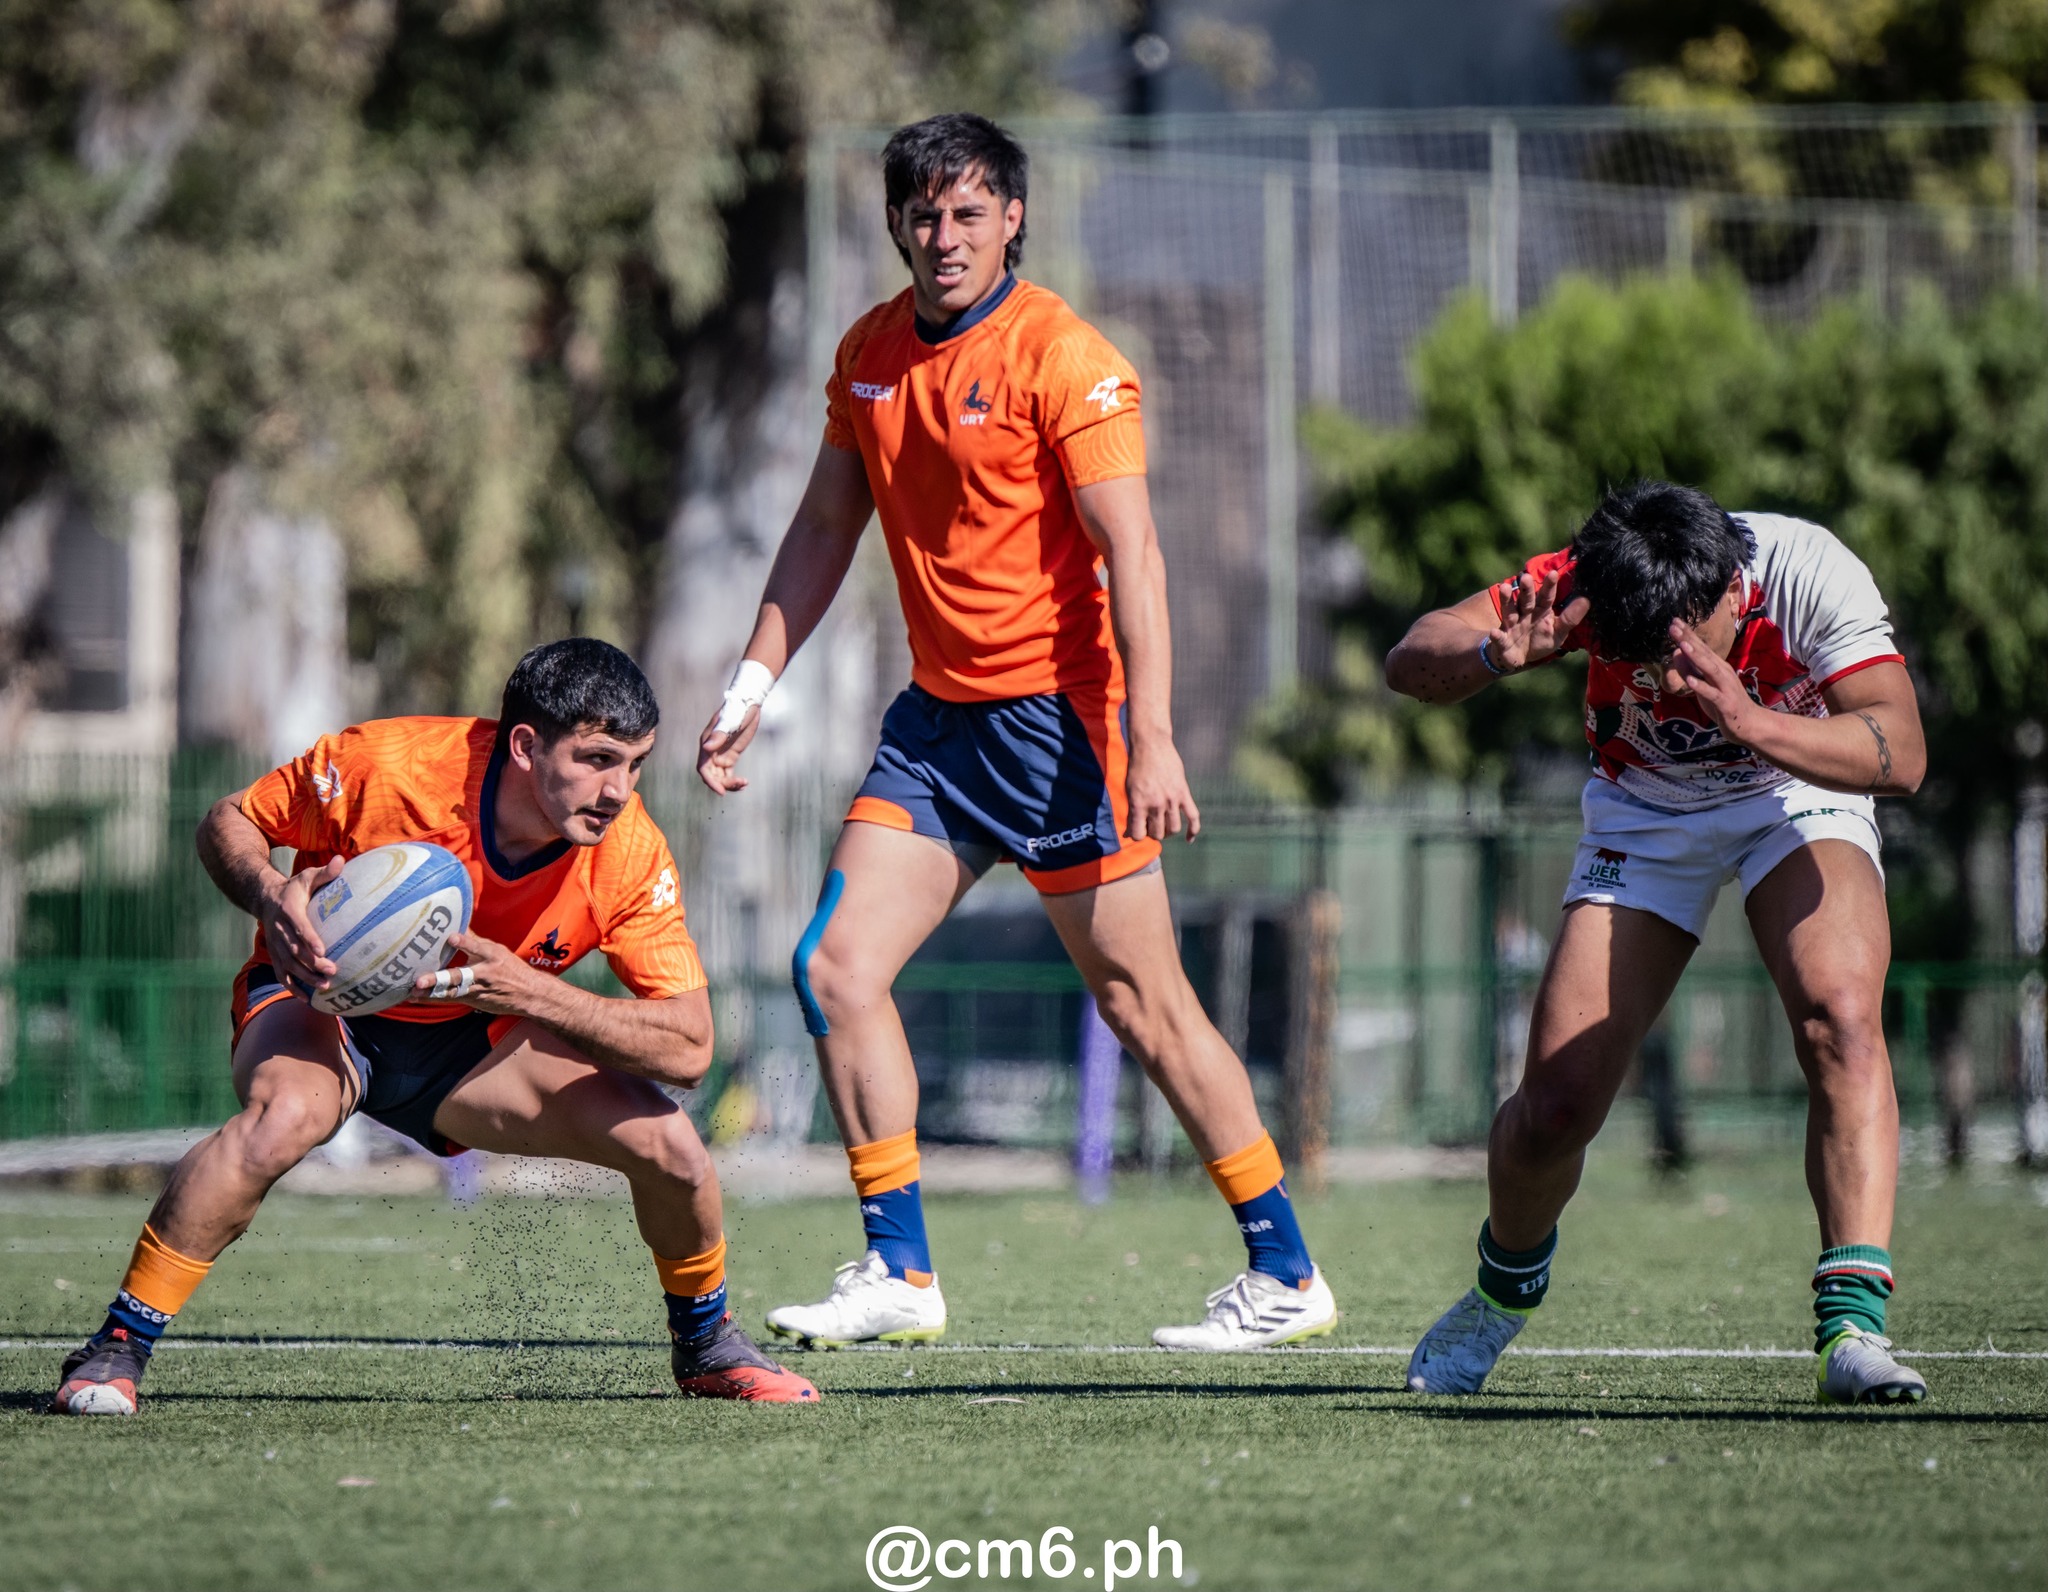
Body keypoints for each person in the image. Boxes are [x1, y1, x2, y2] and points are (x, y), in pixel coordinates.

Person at [698, 112, 1336, 1351]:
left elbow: (1132, 552)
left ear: (1012, 219)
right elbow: (823, 527)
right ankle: (899, 1268)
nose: (944, 236)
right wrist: (750, 682)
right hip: (936, 727)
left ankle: (1285, 1272)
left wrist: (1152, 736)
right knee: (832, 968)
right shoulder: (868, 353)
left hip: (1060, 731)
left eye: (968, 212)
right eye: (923, 214)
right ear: (897, 224)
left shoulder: (1064, 356)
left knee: (1146, 1007)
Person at [54, 639, 818, 1413]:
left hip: (469, 1039)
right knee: (282, 1120)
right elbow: (231, 821)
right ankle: (117, 1346)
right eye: (596, 760)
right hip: (321, 1001)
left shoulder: (629, 855)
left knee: (672, 1148)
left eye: (636, 764)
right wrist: (267, 896)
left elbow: (689, 1047)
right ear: (526, 745)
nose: (619, 789)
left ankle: (707, 1347)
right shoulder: (387, 768)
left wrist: (534, 993)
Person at [1387, 481, 1929, 1405]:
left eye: (1679, 650)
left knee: (1839, 1016)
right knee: (1556, 1107)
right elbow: (1409, 660)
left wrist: (1752, 722)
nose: (1663, 679)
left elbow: (1902, 752)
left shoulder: (1808, 573)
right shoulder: (1589, 581)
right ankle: (1501, 1293)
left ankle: (1852, 1328)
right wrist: (1490, 655)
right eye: (1636, 657)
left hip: (1792, 789)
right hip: (1645, 812)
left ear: (1731, 591)